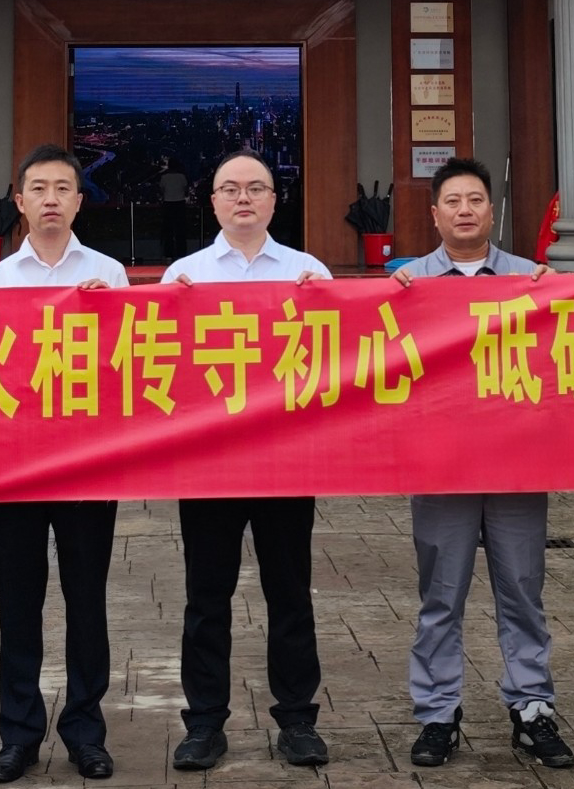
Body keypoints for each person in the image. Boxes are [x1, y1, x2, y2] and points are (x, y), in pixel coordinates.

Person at [390, 158, 571, 769]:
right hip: (440, 467)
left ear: (492, 211)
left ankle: (533, 708)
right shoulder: (406, 284)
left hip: (517, 463)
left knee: (522, 590)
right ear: (434, 213)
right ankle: (438, 714)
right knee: (441, 595)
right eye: (453, 201)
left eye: (475, 200)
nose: (464, 210)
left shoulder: (532, 279)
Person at [162, 149, 331, 772]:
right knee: (206, 597)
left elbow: (340, 359)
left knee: (290, 593)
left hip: (286, 458)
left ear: (273, 200)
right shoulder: (184, 274)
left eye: (255, 188)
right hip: (209, 462)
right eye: (230, 189)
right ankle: (204, 722)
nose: (243, 198)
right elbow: (159, 367)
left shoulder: (309, 271)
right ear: (212, 202)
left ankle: (298, 720)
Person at [0, 144, 130, 784]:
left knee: (86, 602)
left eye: (63, 188)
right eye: (38, 188)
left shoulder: (109, 274)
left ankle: (85, 732)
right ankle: (18, 735)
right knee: (18, 605)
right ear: (19, 200)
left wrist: (108, 315)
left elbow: (129, 370)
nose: (50, 200)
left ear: (79, 200)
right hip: (15, 470)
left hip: (87, 467)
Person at [159, 157, 191, 259]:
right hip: (179, 204)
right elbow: (186, 189)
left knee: (168, 231)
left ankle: (168, 253)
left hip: (168, 204)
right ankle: (181, 253)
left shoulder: (164, 177)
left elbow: (162, 190)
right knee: (180, 230)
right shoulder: (182, 177)